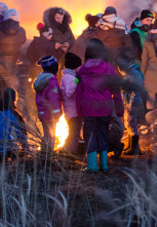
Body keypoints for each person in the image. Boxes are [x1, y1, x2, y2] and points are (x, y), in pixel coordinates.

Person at [76, 39, 124, 174]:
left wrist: (79, 110)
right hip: (105, 108)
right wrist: (119, 109)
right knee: (103, 134)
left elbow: (79, 92)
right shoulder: (109, 68)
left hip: (88, 109)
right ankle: (104, 165)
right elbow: (116, 90)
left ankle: (92, 166)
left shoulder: (83, 69)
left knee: (90, 136)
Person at [0, 87, 31, 158]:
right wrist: (26, 148)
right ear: (14, 99)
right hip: (6, 148)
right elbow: (21, 133)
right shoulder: (13, 114)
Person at [119, 47, 146, 156]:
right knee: (129, 122)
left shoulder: (133, 73)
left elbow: (136, 89)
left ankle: (135, 148)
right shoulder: (129, 73)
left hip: (133, 102)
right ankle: (131, 146)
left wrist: (131, 102)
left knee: (132, 123)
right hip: (128, 101)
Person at [33, 55, 62, 152]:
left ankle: (44, 152)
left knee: (46, 134)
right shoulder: (52, 81)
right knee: (51, 135)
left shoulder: (40, 79)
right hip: (51, 114)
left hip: (42, 113)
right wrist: (57, 114)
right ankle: (49, 155)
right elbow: (54, 99)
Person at [60, 52, 83, 154]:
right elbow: (69, 92)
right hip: (73, 111)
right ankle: (71, 153)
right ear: (75, 66)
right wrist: (77, 81)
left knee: (73, 133)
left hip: (71, 110)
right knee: (74, 134)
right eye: (79, 66)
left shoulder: (67, 76)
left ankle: (66, 149)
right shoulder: (70, 78)